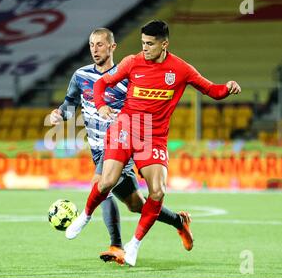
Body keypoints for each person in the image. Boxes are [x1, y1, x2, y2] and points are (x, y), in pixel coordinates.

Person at [66, 20, 241, 266]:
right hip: (125, 128)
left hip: (153, 136)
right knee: (105, 181)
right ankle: (84, 216)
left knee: (157, 192)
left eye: (149, 44)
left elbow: (211, 90)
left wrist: (228, 88)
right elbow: (102, 83)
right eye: (142, 43)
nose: (145, 49)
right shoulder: (132, 62)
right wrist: (102, 105)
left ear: (164, 44)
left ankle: (133, 245)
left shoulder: (181, 69)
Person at [50, 28, 192, 264]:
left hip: (123, 143)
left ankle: (116, 245)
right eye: (91, 45)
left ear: (112, 47)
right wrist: (58, 115)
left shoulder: (129, 76)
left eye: (100, 45)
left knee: (101, 185)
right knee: (136, 204)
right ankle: (179, 221)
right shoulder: (81, 76)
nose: (95, 50)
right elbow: (69, 104)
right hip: (97, 149)